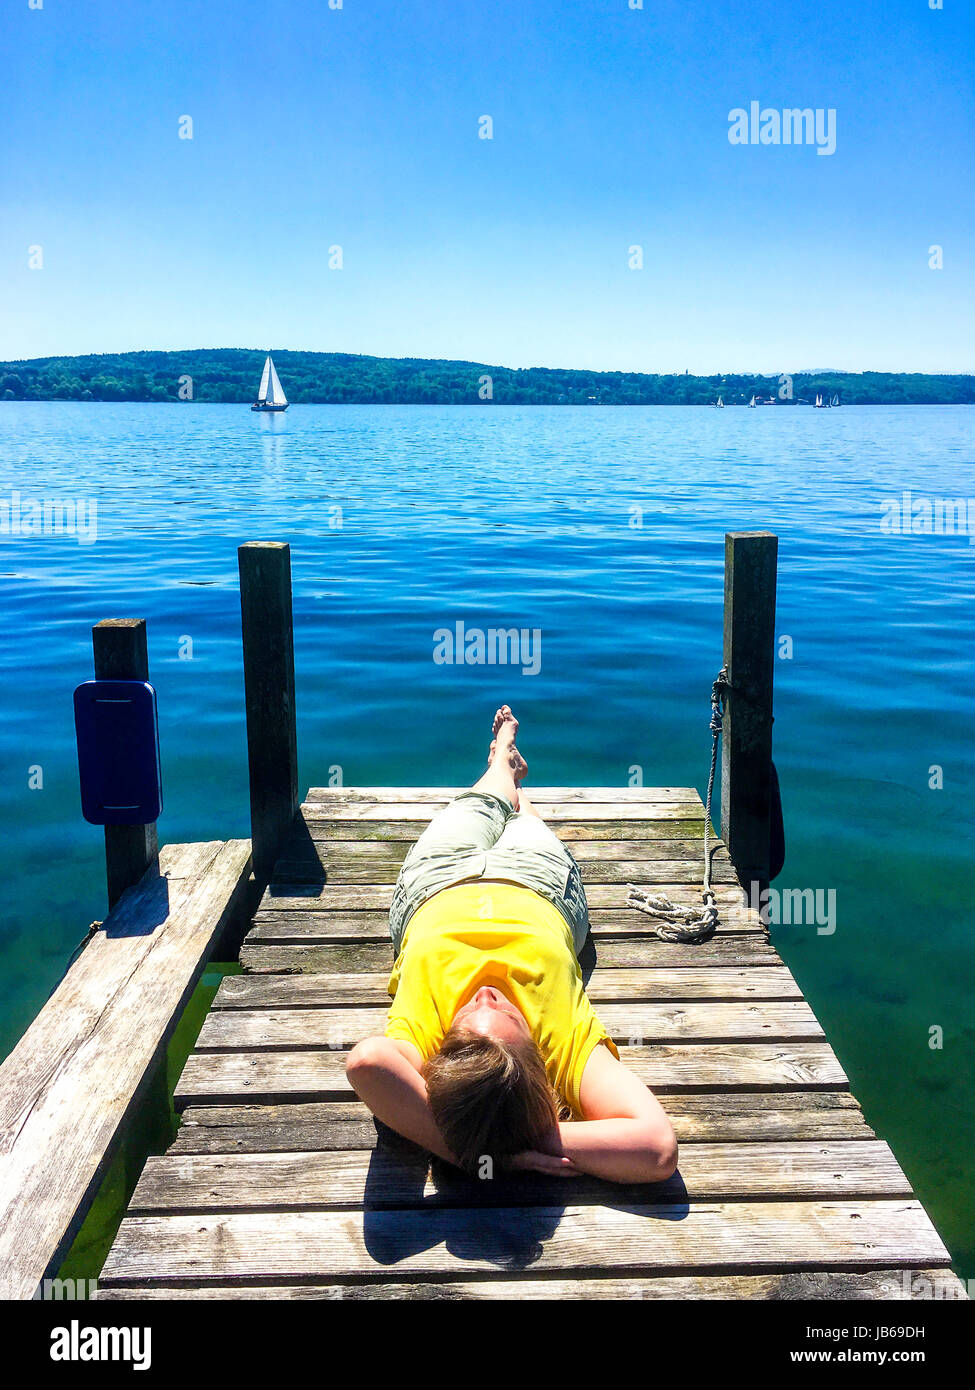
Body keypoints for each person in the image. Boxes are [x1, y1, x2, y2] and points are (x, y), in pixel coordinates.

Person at [345, 706, 678, 1184]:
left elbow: (366, 1064)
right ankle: (512, 777)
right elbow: (657, 1149)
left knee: (477, 804)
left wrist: (470, 1149)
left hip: (436, 881)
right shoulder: (559, 1042)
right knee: (525, 821)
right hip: (538, 885)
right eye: (504, 1013)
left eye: (468, 1017)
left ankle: (502, 764)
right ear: (536, 1057)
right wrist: (523, 1141)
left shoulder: (428, 1034)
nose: (484, 993)